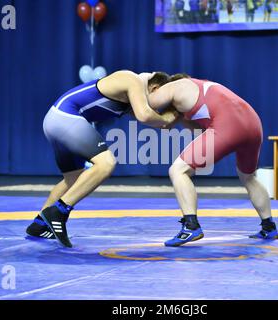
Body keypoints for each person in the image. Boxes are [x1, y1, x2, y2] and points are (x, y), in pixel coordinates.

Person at [25, 70, 178, 247]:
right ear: (155, 87)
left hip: (55, 120)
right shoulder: (132, 80)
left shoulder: (131, 95)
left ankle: (39, 224)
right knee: (106, 163)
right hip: (65, 118)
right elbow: (146, 115)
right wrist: (167, 116)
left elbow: (158, 122)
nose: (156, 106)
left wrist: (175, 113)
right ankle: (58, 211)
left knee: (73, 179)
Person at [147, 73, 278, 247]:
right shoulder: (203, 89)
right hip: (254, 124)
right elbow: (191, 128)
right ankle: (269, 226)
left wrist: (128, 92)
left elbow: (148, 105)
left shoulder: (176, 86)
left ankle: (191, 226)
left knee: (178, 170)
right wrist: (177, 116)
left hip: (228, 124)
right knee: (248, 177)